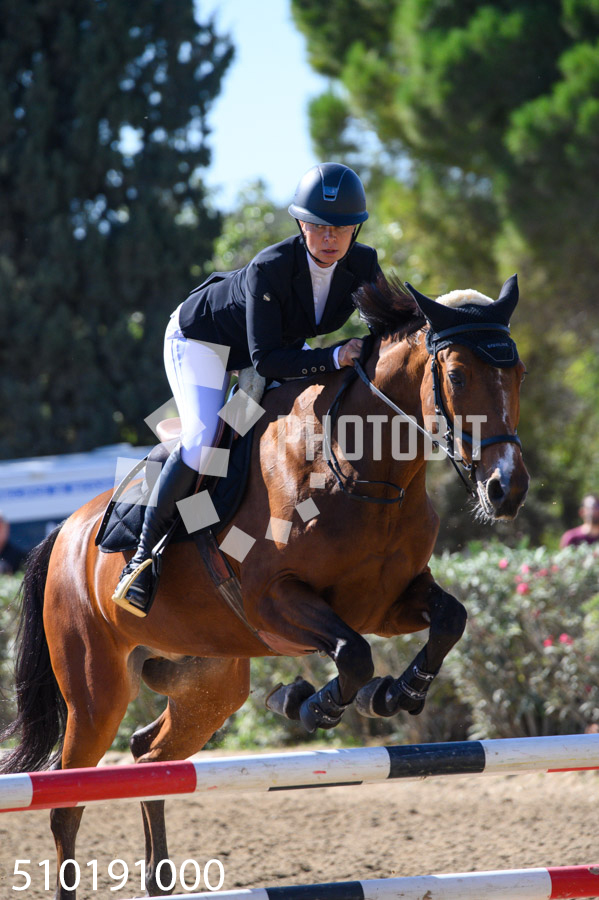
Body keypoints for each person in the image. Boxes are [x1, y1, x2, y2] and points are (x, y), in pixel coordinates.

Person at [113, 162, 382, 617]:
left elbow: (385, 331)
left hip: (272, 347)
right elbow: (268, 361)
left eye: (340, 228)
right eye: (318, 226)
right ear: (301, 224)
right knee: (204, 442)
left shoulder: (363, 265)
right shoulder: (270, 268)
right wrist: (336, 355)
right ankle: (142, 561)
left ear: (355, 230)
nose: (329, 237)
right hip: (202, 341)